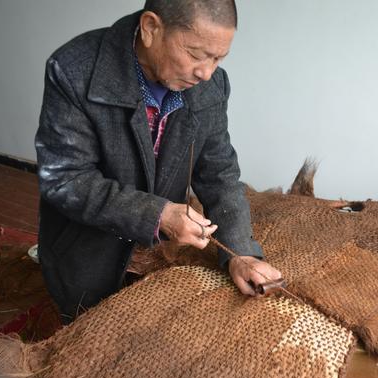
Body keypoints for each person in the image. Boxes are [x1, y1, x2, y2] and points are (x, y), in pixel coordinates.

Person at [35, 0, 281, 323]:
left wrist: (241, 253)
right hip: (86, 257)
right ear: (151, 28)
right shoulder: (72, 71)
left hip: (160, 254)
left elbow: (219, 173)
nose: (206, 72)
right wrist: (159, 214)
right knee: (93, 346)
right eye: (195, 54)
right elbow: (65, 180)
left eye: (218, 58)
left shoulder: (210, 87)